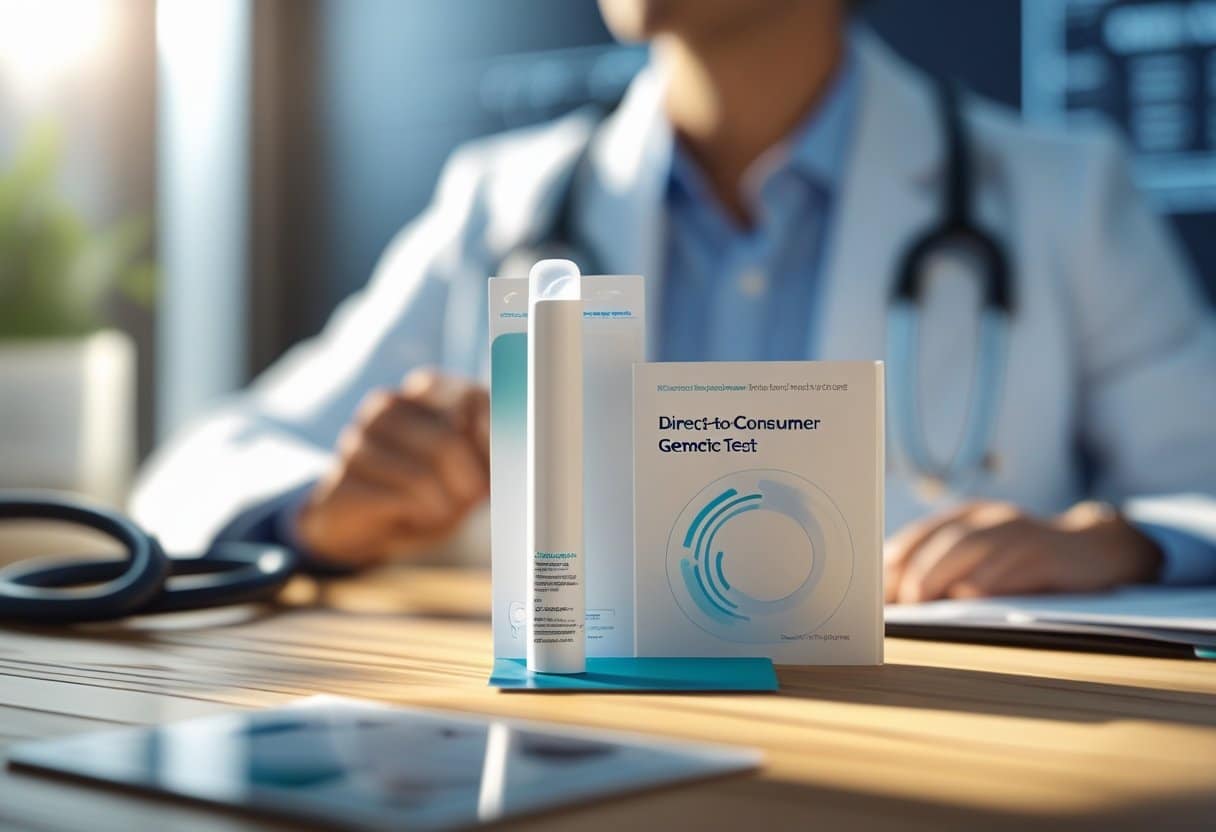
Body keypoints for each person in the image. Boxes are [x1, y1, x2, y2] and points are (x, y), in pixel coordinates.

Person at [132, 0, 1216, 602]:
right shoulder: (503, 205)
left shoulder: (1061, 194)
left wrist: (1120, 542)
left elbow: (1200, 490)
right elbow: (191, 474)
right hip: (588, 767)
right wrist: (321, 510)